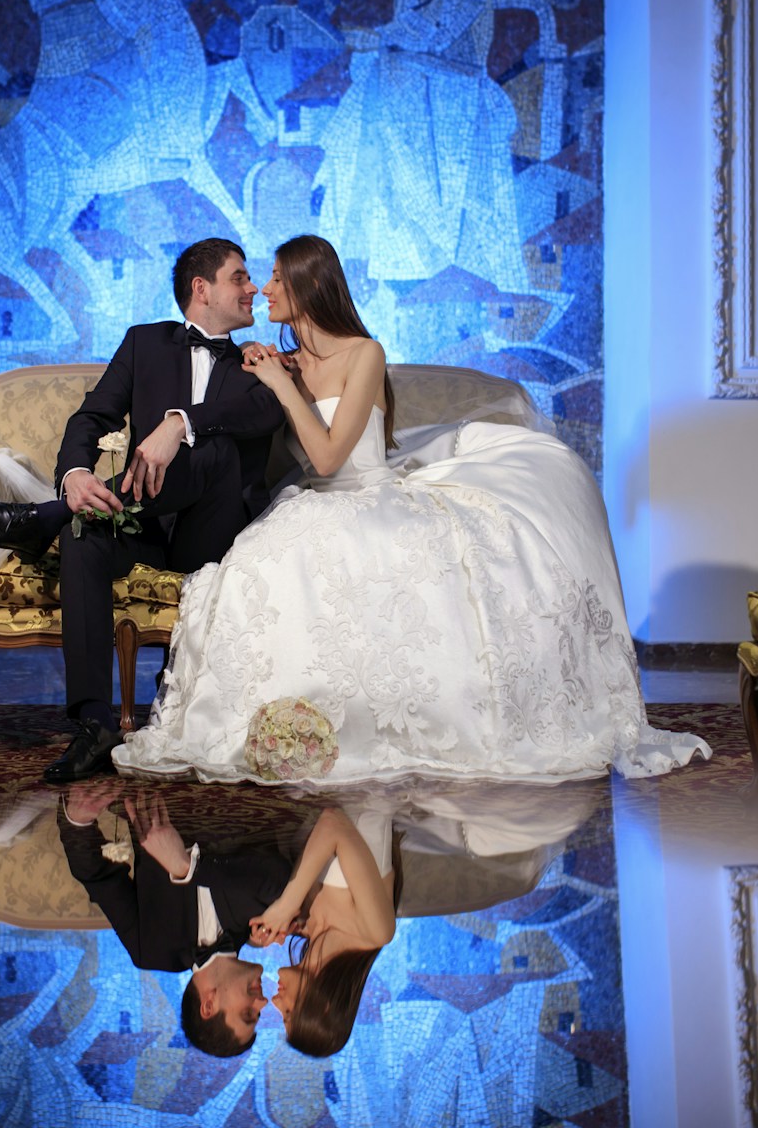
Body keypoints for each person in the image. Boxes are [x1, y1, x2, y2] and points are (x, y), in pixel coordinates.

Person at [110, 234, 710, 783]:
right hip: (306, 503)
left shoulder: (363, 353)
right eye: (255, 278)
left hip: (362, 495)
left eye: (272, 278)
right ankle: (274, 718)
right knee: (256, 570)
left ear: (306, 286)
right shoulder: (280, 362)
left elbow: (326, 458)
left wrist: (280, 384)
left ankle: (395, 720)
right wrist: (268, 378)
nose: (263, 289)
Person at [0, 238, 286, 781]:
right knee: (86, 533)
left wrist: (178, 422)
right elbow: (91, 419)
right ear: (201, 289)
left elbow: (264, 414)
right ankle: (93, 723)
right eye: (239, 278)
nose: (252, 288)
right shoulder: (144, 343)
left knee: (216, 447)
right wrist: (76, 476)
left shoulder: (257, 361)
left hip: (216, 536)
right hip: (148, 523)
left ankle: (42, 518)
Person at [314, 0, 523, 291]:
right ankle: (362, 240)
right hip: (410, 68)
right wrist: (381, 40)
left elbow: (443, 23)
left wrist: (382, 36)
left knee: (379, 73)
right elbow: (407, 23)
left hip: (457, 75)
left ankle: (416, 234)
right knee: (370, 79)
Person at [58, 783, 288, 1057]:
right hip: (237, 779)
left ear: (208, 1005)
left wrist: (77, 821)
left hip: (156, 778)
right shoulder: (265, 923)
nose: (263, 1002)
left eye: (248, 1013)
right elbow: (279, 875)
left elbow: (98, 878)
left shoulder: (151, 951)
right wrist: (187, 868)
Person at [248, 806, 398, 1058]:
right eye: (288, 1013)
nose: (275, 1002)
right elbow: (333, 822)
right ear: (325, 1007)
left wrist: (268, 926)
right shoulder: (375, 932)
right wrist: (287, 905)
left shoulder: (308, 928)